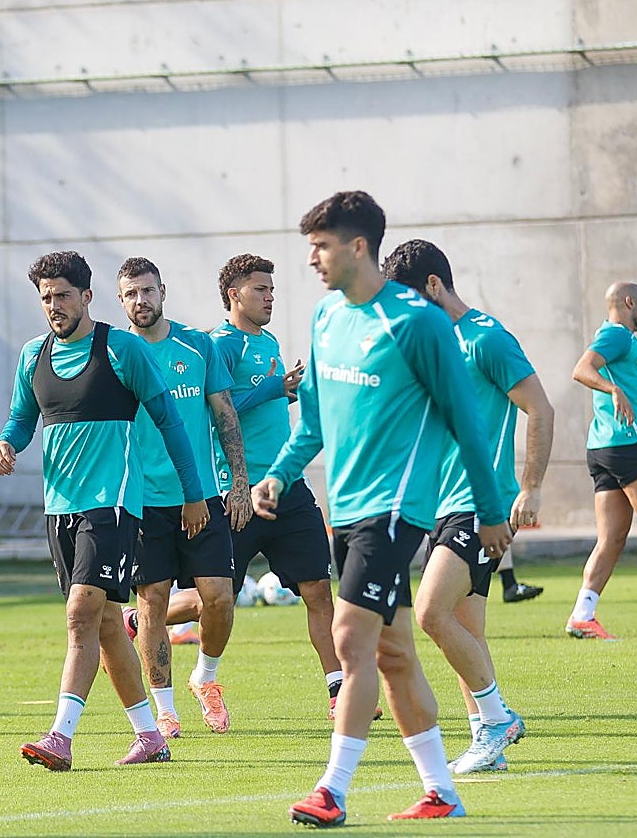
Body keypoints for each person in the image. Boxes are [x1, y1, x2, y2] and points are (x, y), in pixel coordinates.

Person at [253, 192, 513, 825]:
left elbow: (467, 423)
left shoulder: (418, 322)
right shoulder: (323, 319)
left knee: (350, 639)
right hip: (345, 511)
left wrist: (491, 508)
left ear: (358, 246)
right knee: (393, 654)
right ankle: (441, 791)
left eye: (321, 246)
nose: (311, 259)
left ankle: (332, 790)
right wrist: (279, 475)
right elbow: (312, 421)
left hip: (398, 511)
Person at [0, 251, 208, 770]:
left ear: (87, 296)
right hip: (59, 506)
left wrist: (193, 492)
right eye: (45, 297)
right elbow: (22, 418)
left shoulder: (123, 349)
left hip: (113, 504)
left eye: (63, 295)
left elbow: (172, 423)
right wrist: (6, 443)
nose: (54, 305)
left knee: (80, 614)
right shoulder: (31, 355)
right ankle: (150, 737)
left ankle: (60, 737)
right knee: (108, 624)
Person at [385, 239, 553, 774]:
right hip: (444, 505)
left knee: (432, 612)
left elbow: (541, 409)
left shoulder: (486, 337)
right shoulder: (431, 344)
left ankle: (498, 719)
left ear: (434, 286)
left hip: (482, 507)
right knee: (465, 626)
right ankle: (488, 739)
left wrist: (530, 488)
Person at [199, 253, 368, 722]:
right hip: (236, 491)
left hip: (284, 487)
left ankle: (339, 691)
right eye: (260, 289)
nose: (270, 296)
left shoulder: (268, 340)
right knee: (217, 599)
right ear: (235, 294)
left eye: (271, 289)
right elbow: (219, 411)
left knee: (317, 587)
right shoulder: (221, 345)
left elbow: (266, 400)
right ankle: (180, 651)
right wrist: (274, 388)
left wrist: (287, 389)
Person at [115, 257, 249, 738]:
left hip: (203, 494)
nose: (140, 301)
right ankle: (164, 711)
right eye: (130, 294)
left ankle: (205, 679)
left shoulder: (198, 346)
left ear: (162, 291)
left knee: (220, 598)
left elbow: (224, 414)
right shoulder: (115, 353)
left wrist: (239, 482)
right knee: (151, 602)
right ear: (120, 300)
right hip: (143, 500)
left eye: (147, 291)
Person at [567, 281, 637, 639]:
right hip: (628, 444)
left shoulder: (629, 341)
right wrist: (613, 389)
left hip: (604, 449)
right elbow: (582, 368)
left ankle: (582, 615)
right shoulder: (616, 336)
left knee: (612, 538)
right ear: (629, 301)